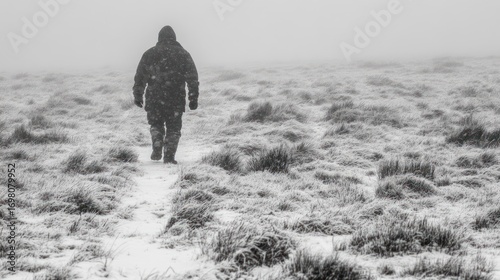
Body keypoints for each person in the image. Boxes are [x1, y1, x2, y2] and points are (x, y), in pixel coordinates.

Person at [133, 26, 199, 164]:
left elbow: (140, 77)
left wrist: (138, 94)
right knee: (174, 127)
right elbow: (192, 78)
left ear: (159, 38)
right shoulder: (183, 54)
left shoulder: (149, 54)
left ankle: (157, 143)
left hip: (154, 98)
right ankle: (169, 156)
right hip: (175, 98)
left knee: (156, 124)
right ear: (174, 38)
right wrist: (193, 98)